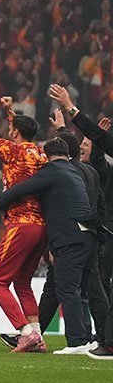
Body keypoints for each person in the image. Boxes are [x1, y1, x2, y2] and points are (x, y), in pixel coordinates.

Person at [0, 138, 99, 355]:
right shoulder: (73, 171)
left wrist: (1, 201)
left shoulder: (52, 171)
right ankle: (88, 338)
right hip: (89, 235)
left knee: (67, 289)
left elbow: (21, 189)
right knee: (81, 290)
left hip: (70, 237)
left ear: (47, 155)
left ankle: (77, 342)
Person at [0, 93, 49, 351]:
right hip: (41, 228)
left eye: (11, 129)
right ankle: (38, 337)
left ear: (15, 133)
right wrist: (10, 112)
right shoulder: (40, 153)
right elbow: (22, 131)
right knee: (22, 283)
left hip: (21, 224)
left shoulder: (12, 151)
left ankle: (25, 333)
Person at [47, 85, 113, 360]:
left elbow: (95, 145)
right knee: (95, 287)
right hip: (97, 233)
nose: (85, 147)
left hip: (97, 234)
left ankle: (104, 339)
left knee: (97, 287)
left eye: (88, 144)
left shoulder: (93, 169)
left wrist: (70, 109)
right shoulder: (88, 168)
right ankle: (103, 338)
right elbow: (93, 143)